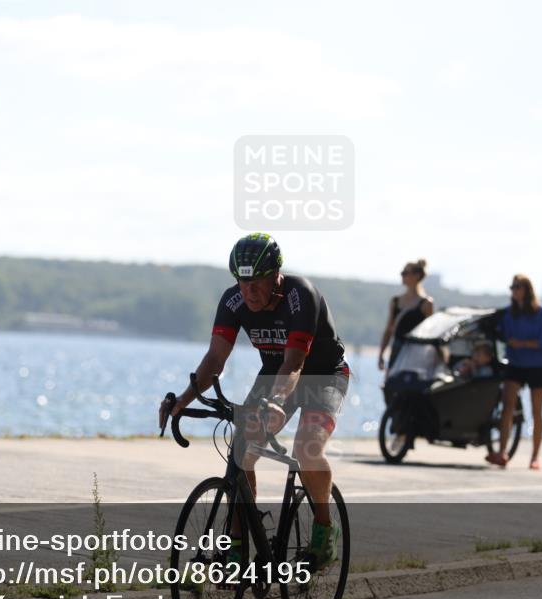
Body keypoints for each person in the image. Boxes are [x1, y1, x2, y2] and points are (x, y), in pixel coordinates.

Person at [158, 233, 349, 570]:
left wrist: (275, 401)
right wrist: (184, 399)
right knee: (241, 451)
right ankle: (237, 547)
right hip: (275, 373)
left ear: (276, 275)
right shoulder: (233, 301)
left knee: (307, 449)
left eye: (257, 281)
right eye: (242, 282)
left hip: (322, 376)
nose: (249, 291)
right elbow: (215, 358)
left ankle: (324, 529)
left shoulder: (300, 295)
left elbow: (295, 363)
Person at [487, 274, 542, 470]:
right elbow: (499, 332)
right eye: (512, 287)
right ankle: (502, 452)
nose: (514, 291)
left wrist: (524, 344)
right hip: (515, 364)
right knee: (507, 406)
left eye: (518, 287)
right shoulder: (509, 314)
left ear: (527, 290)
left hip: (537, 365)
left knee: (536, 411)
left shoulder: (541, 313)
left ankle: (535, 457)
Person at [378, 259, 434, 372]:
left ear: (417, 275)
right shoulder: (395, 301)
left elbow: (431, 333)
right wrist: (381, 354)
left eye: (405, 273)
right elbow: (389, 330)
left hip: (416, 353)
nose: (402, 275)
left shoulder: (426, 303)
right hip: (397, 349)